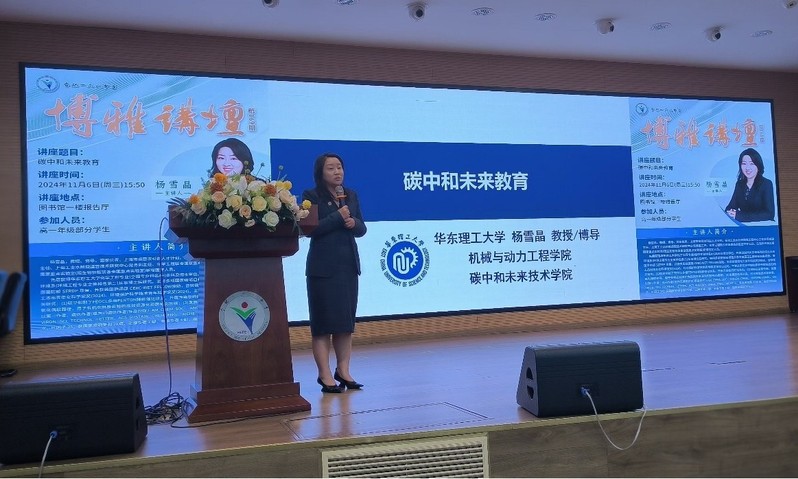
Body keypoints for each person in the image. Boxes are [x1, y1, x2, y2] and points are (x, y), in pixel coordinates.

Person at [302, 153, 367, 393]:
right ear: (321, 173)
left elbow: (362, 227)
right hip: (322, 269)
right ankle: (325, 374)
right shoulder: (311, 196)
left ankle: (343, 370)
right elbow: (310, 229)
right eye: (331, 168)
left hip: (347, 266)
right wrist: (337, 217)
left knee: (344, 324)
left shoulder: (350, 195)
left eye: (339, 167)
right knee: (323, 325)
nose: (337, 172)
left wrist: (354, 224)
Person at [725, 147, 775, 222]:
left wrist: (740, 216)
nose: (747, 168)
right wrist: (730, 212)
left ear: (758, 165)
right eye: (744, 164)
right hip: (742, 226)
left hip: (762, 226)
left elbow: (769, 214)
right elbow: (730, 207)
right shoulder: (739, 184)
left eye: (752, 164)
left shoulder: (766, 184)